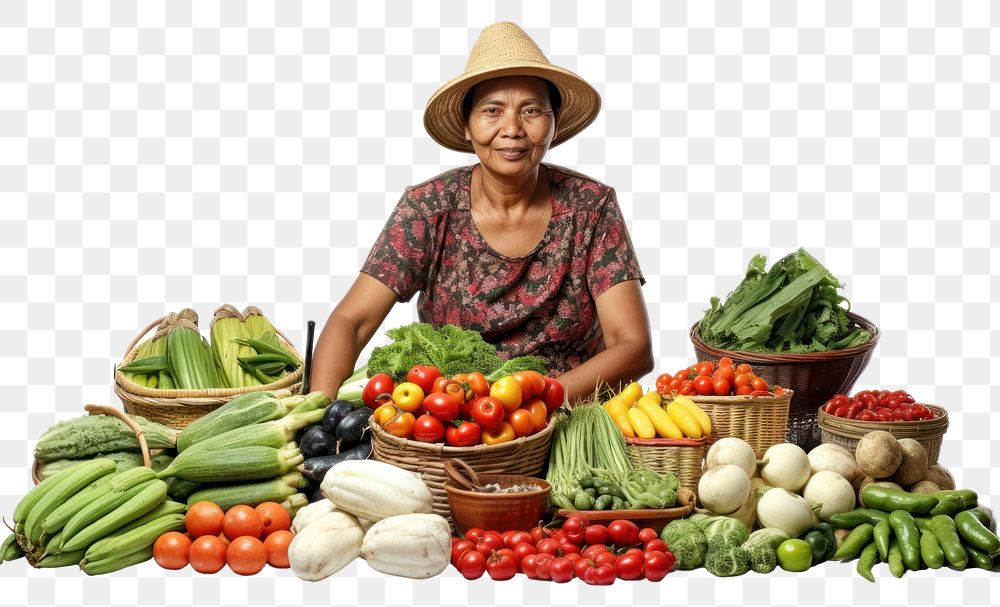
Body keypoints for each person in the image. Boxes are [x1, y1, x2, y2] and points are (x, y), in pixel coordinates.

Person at [312, 22, 652, 403]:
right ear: (467, 125)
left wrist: (530, 403)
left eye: (532, 110)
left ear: (554, 122)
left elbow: (633, 346)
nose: (512, 129)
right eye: (492, 110)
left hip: (568, 411)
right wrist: (316, 416)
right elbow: (351, 322)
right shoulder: (429, 209)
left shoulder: (591, 207)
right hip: (456, 419)